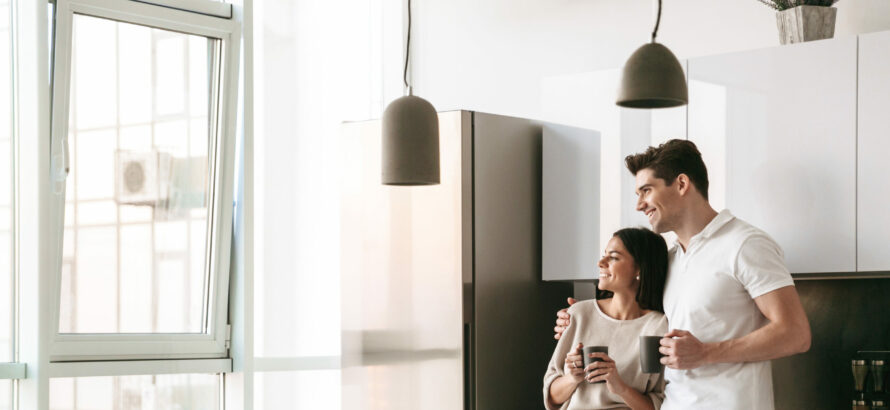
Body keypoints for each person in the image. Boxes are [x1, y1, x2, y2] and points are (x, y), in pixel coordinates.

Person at [553, 139, 811, 410]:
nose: (639, 205)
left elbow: (795, 333)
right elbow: (634, 315)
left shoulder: (745, 244)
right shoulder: (670, 259)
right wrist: (579, 317)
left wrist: (705, 353)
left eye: (646, 191)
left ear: (681, 184)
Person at [544, 227, 669, 410]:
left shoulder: (658, 327)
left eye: (613, 257)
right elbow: (552, 397)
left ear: (639, 268)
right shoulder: (579, 314)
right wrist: (572, 378)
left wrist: (620, 388)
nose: (601, 262)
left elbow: (657, 405)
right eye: (604, 255)